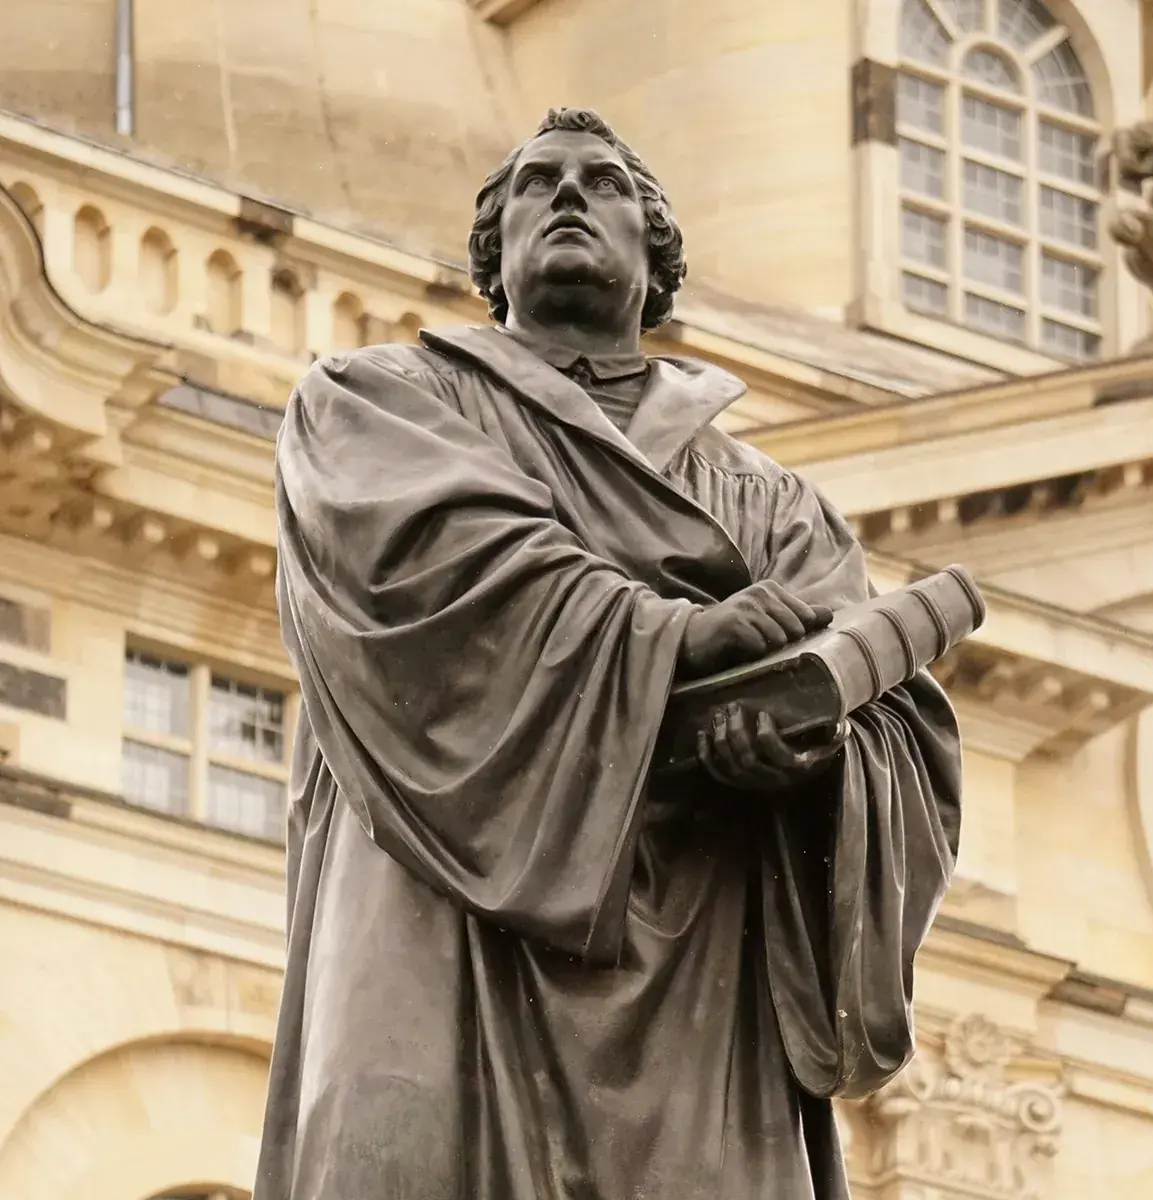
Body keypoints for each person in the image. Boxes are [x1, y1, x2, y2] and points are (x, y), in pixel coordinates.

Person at [256, 107, 962, 1200]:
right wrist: (675, 632)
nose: (570, 194)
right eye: (537, 184)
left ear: (658, 257)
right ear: (494, 259)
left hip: (697, 966)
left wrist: (812, 762)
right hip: (442, 915)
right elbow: (436, 571)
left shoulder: (773, 501)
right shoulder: (374, 402)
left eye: (605, 183)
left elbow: (886, 722)